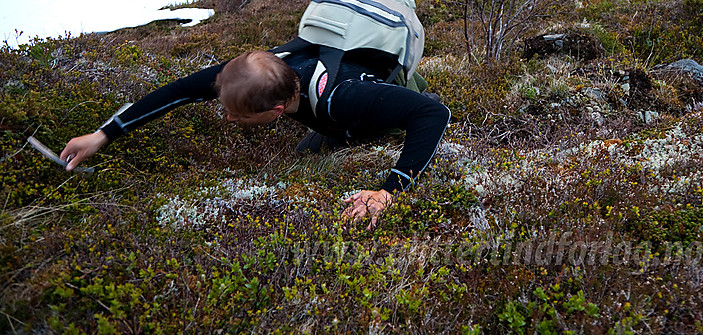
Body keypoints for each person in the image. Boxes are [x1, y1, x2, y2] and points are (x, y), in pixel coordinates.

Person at [60, 44, 451, 227]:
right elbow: (178, 91)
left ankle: (407, 93)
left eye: (237, 115)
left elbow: (434, 115)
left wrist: (388, 191)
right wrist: (103, 135)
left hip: (372, 98)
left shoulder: (341, 99)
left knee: (363, 127)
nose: (228, 119)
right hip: (337, 105)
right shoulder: (255, 74)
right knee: (308, 151)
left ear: (276, 110)